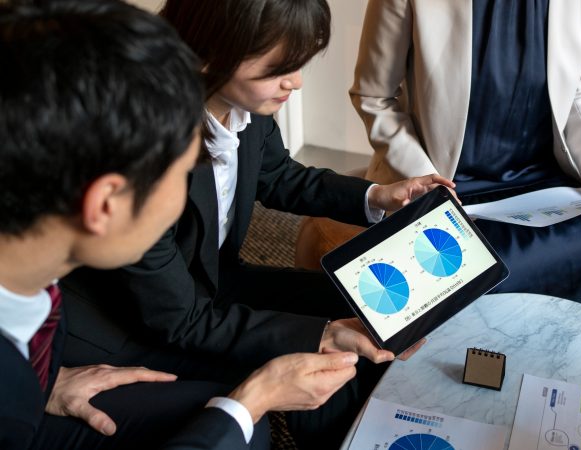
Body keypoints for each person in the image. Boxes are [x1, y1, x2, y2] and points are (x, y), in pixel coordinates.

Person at [60, 0, 454, 447]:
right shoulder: (146, 149)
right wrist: (322, 335)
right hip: (133, 325)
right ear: (209, 54)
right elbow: (179, 319)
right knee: (327, 347)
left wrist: (376, 195)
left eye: (301, 62)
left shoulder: (246, 107)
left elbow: (276, 174)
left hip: (211, 282)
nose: (297, 81)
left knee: (359, 305)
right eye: (279, 68)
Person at [0, 1, 360, 449]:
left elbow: (278, 175)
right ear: (106, 203)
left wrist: (47, 381)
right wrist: (254, 398)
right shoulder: (11, 400)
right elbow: (182, 318)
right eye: (185, 167)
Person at [346, 0, 581, 316]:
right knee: (483, 267)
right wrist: (424, 180)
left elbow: (578, 92)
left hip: (540, 177)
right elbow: (374, 98)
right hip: (443, 178)